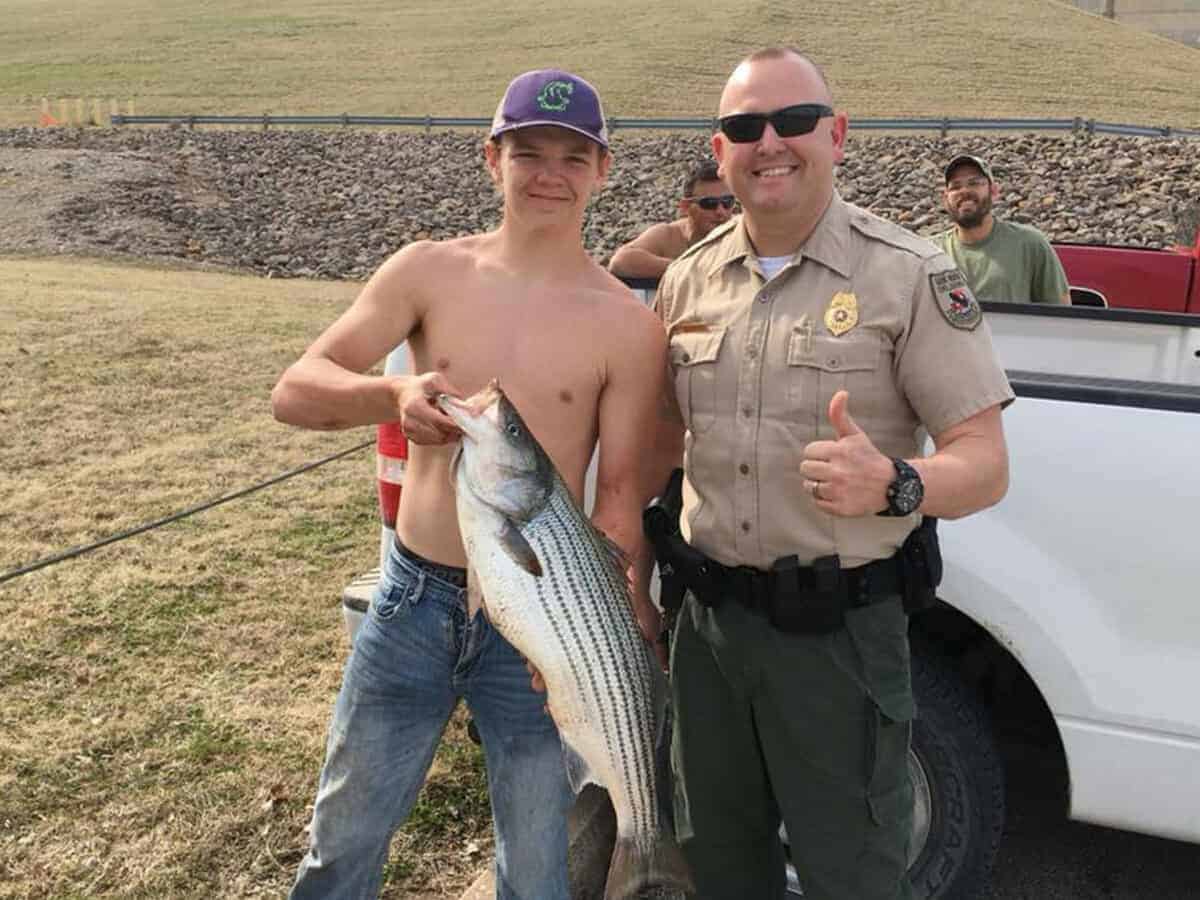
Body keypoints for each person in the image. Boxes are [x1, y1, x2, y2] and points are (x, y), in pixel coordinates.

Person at [271, 68, 668, 900]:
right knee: (343, 842)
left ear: (603, 171)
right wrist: (391, 394)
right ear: (492, 160)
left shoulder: (629, 327)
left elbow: (620, 500)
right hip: (412, 601)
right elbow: (296, 390)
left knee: (536, 868)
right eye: (528, 152)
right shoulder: (426, 271)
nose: (549, 174)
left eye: (572, 156)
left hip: (538, 627)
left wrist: (594, 626)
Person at [640, 48, 1014, 900]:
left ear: (837, 134)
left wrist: (897, 485)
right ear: (721, 148)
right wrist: (629, 573)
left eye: (794, 121)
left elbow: (985, 464)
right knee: (718, 865)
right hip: (708, 636)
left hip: (838, 642)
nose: (769, 142)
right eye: (744, 127)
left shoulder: (908, 273)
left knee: (852, 873)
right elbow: (662, 446)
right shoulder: (687, 282)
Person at [932, 153, 1070, 303]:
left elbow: (1061, 314)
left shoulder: (1030, 244)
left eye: (974, 183)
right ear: (945, 199)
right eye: (956, 186)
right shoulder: (930, 253)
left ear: (994, 192)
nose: (964, 191)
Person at [607, 160, 735, 278]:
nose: (720, 211)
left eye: (727, 202)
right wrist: (690, 269)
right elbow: (620, 261)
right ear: (686, 207)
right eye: (709, 203)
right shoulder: (668, 235)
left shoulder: (740, 231)